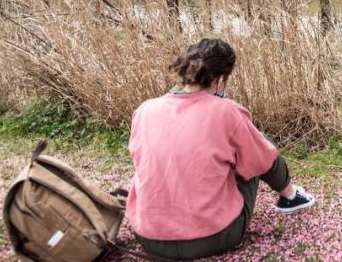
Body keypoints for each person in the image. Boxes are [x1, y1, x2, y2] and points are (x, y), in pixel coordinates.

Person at [126, 38, 315, 260]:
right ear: (220, 80)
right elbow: (262, 159)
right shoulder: (227, 112)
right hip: (215, 236)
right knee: (256, 146)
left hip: (148, 237)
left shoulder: (145, 111)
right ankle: (291, 197)